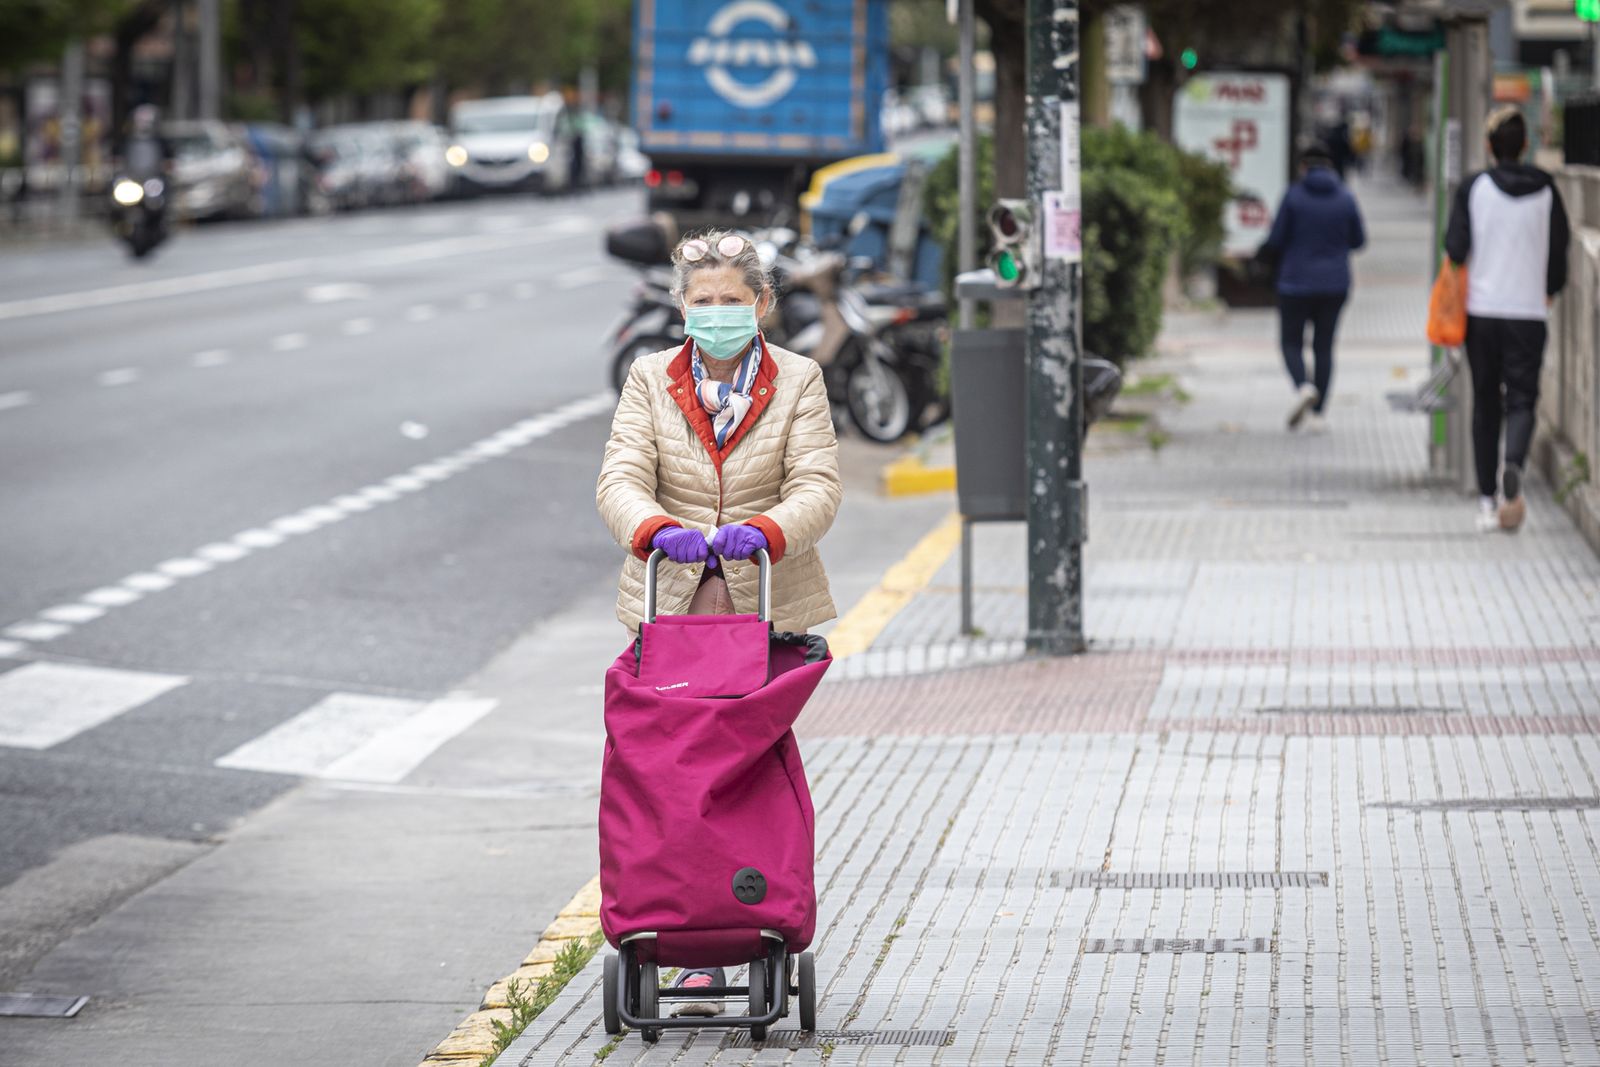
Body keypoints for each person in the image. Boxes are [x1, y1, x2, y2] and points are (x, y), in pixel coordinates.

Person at [595, 228, 842, 1010]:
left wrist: (768, 530)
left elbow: (817, 485)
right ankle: (683, 934)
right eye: (702, 302)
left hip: (761, 609)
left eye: (732, 300)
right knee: (667, 778)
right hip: (670, 609)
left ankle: (751, 911)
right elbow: (621, 476)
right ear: (680, 307)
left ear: (762, 304)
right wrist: (652, 528)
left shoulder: (799, 379)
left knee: (745, 774)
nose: (717, 313)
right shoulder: (649, 377)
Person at [1444, 106, 1570, 534]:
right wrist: (1549, 290)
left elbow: (1456, 248)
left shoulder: (1473, 188)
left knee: (1485, 402)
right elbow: (1558, 255)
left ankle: (1486, 500)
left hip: (1482, 311)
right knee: (1521, 399)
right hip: (1528, 312)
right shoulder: (1548, 189)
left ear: (1489, 147)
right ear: (1526, 145)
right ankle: (1512, 464)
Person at [1260, 141, 1366, 432]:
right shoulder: (1345, 197)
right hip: (1335, 284)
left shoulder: (1293, 197)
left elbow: (1276, 239)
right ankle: (1319, 414)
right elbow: (1359, 241)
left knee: (1291, 342)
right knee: (1324, 347)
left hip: (1295, 283)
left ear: (1303, 166)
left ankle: (1303, 386)